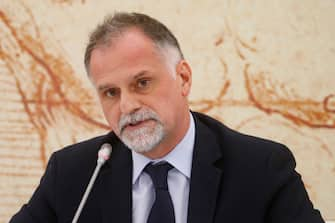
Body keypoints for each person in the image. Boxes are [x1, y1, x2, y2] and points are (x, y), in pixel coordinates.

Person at [10, 12, 325, 223]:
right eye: (110, 93)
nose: (127, 106)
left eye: (142, 83)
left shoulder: (261, 168)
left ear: (184, 78)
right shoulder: (73, 174)